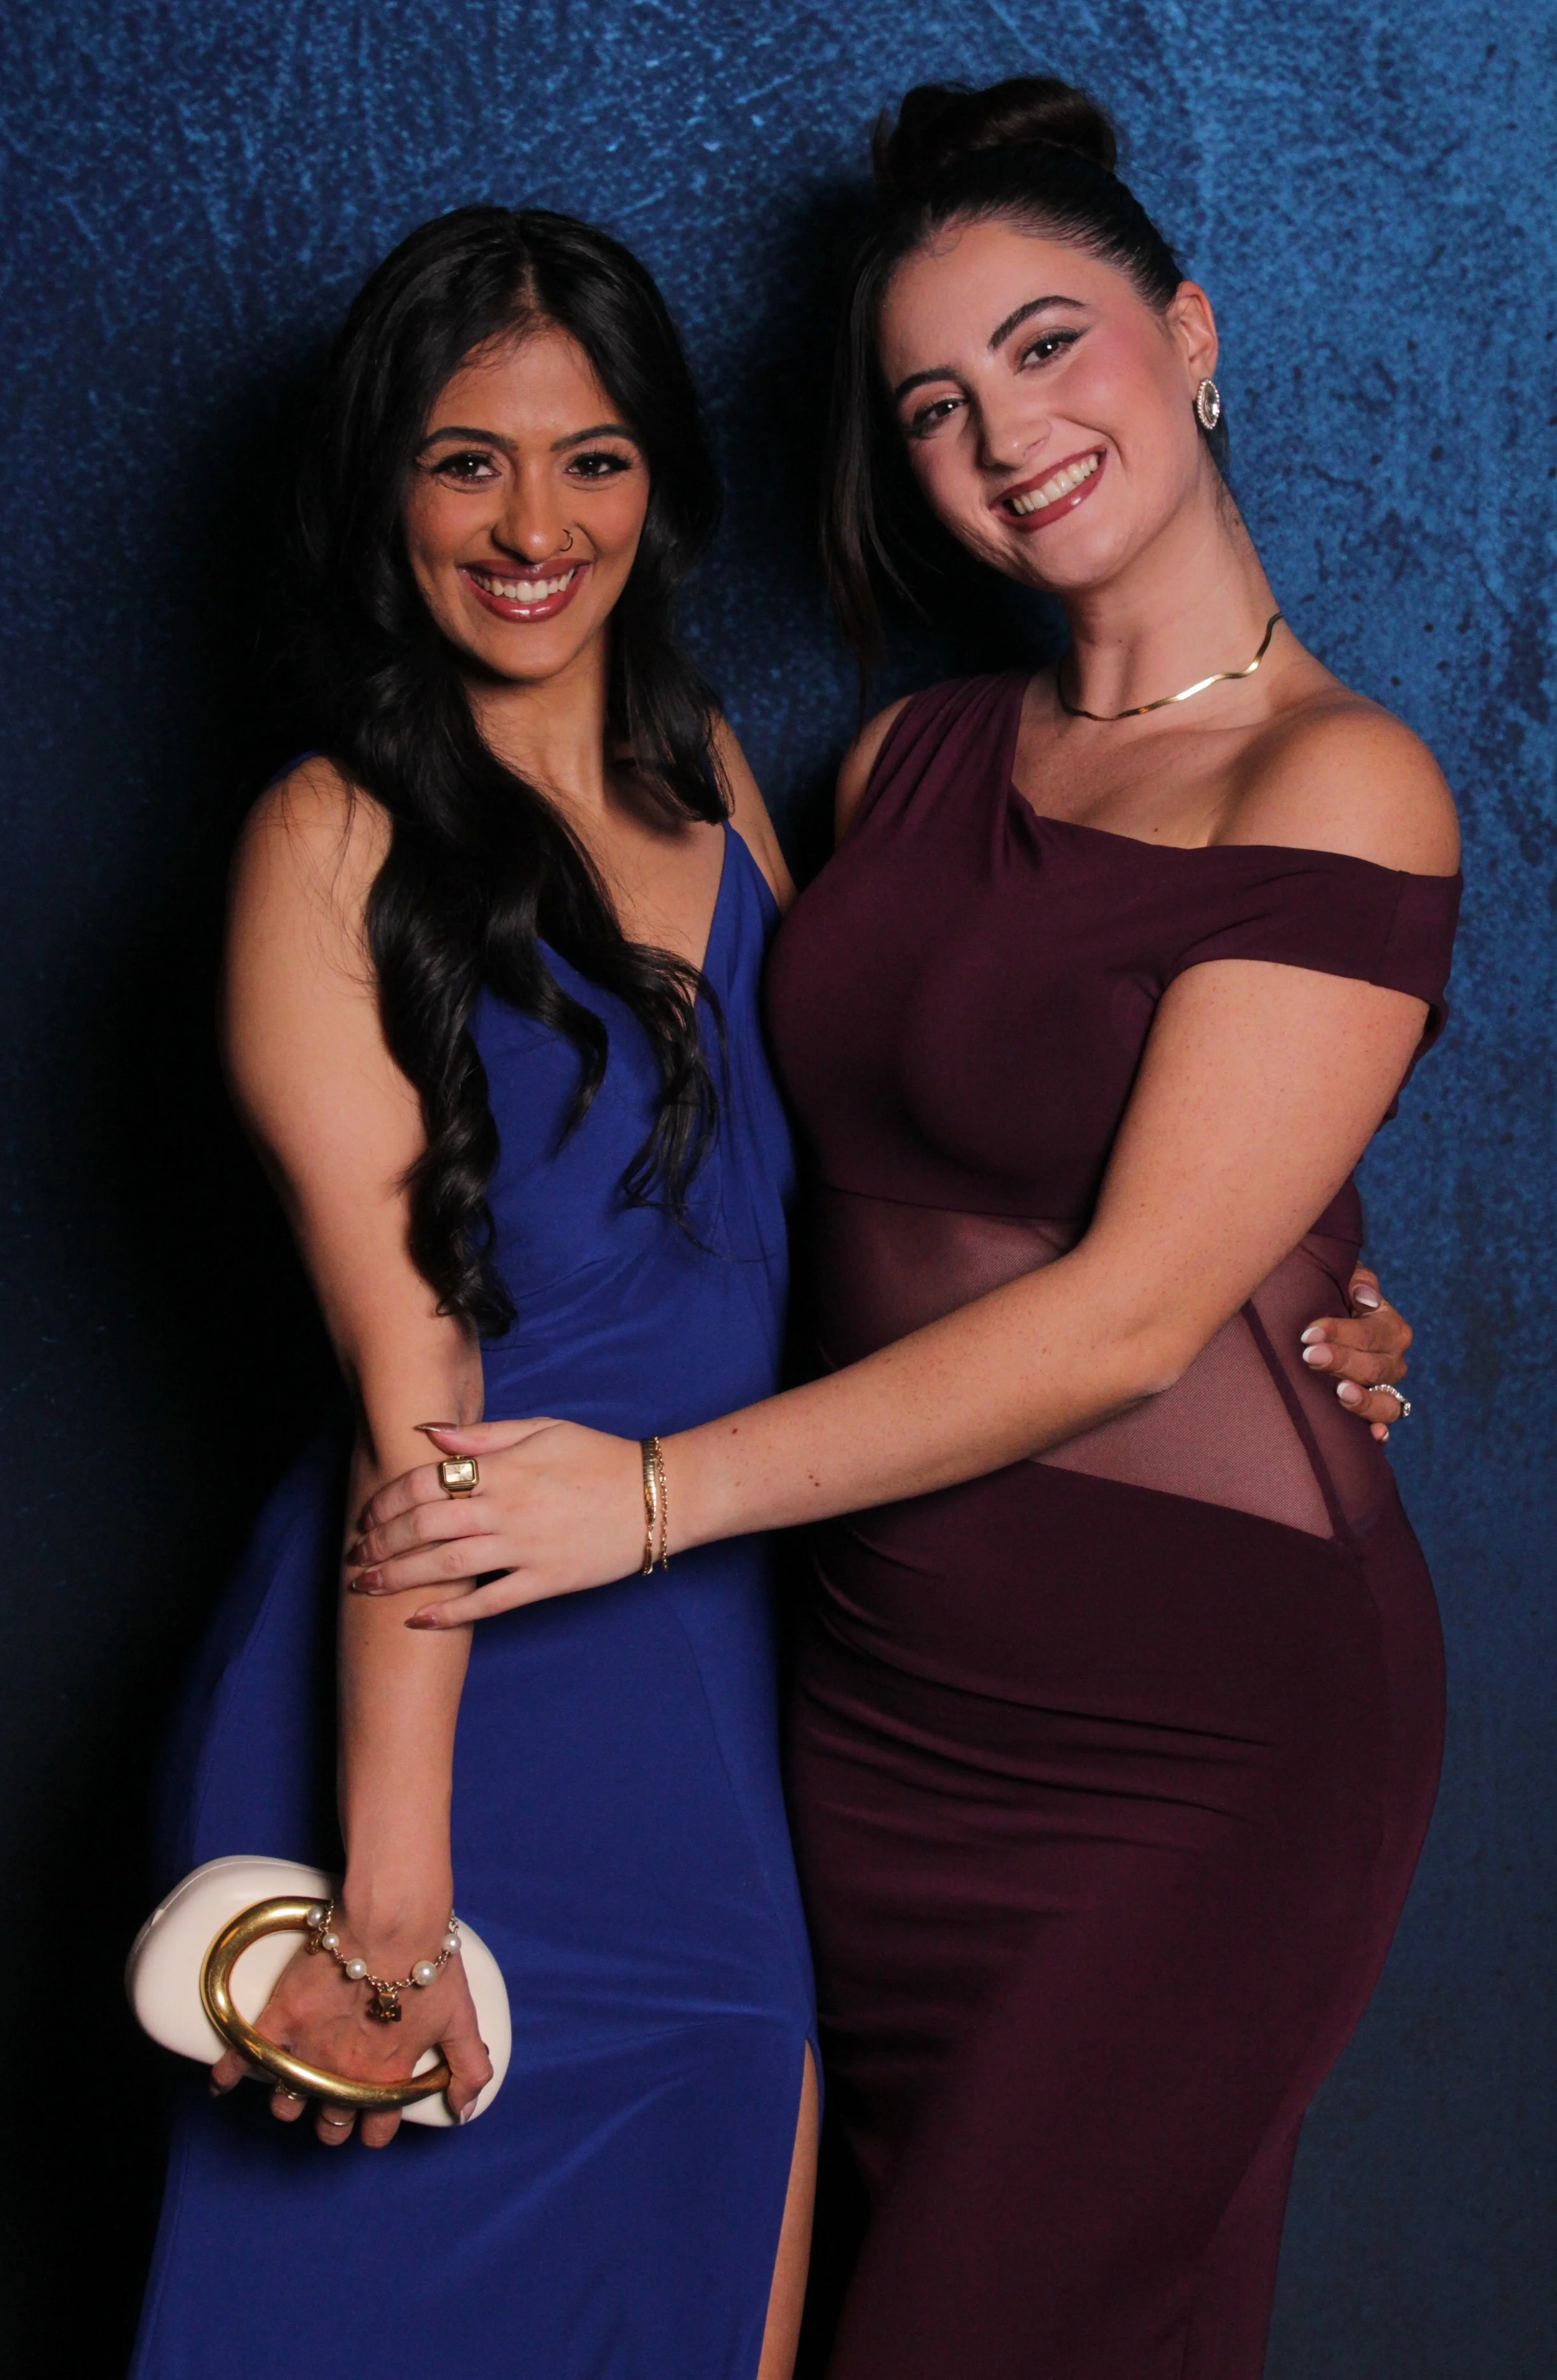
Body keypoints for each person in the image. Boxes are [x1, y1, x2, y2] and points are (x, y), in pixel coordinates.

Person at [350, 79, 1460, 2380]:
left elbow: (1126, 1317)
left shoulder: (1337, 780)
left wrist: (647, 1498)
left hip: (1193, 1743)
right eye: (935, 403)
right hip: (866, 1710)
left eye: (1049, 346)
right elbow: (798, 1171)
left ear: (1190, 335)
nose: (1005, 436)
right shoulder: (903, 764)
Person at [130, 206, 818, 2380]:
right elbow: (412, 1367)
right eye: (467, 461)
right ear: (384, 487)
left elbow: (903, 1159)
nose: (535, 527)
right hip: (425, 1698)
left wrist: (1303, 1274)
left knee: (708, 2268)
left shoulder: (712, 775)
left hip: (699, 1652)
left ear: (658, 482)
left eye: (592, 457)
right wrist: (392, 1885)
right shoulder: (324, 838)